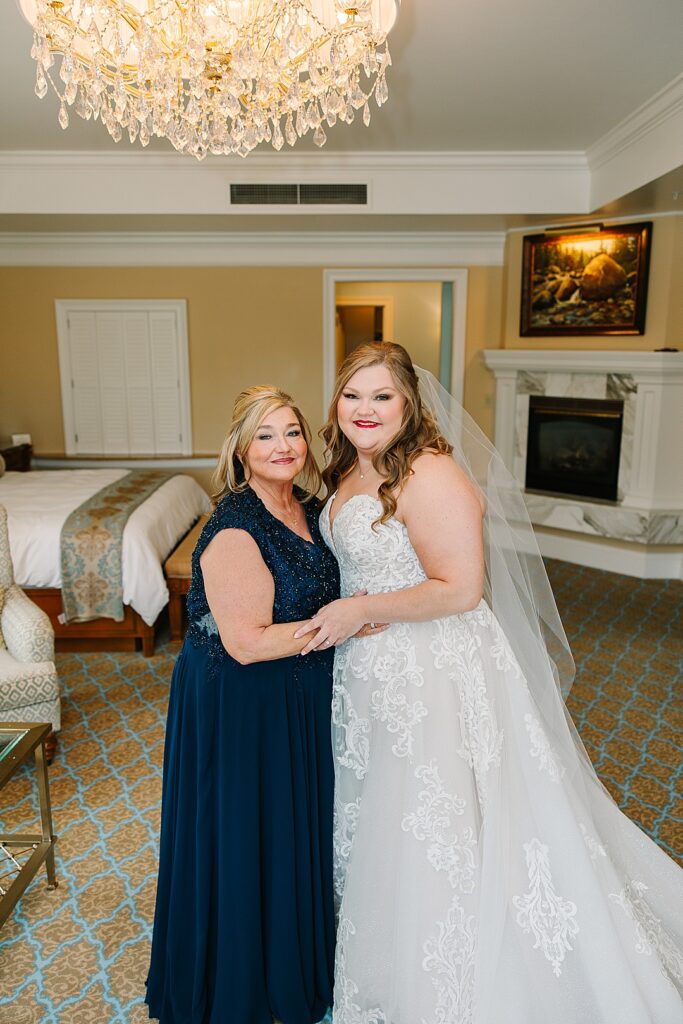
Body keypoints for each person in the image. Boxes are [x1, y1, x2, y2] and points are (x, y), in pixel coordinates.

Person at [294, 343, 683, 1024]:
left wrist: (362, 608)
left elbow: (461, 589)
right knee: (378, 810)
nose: (364, 409)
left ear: (408, 404)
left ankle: (446, 978)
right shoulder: (349, 470)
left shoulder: (430, 472)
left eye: (381, 396)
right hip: (371, 670)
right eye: (352, 395)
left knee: (432, 819)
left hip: (430, 670)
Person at [146, 385, 382, 1024]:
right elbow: (246, 643)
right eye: (266, 435)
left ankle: (294, 965)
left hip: (294, 689)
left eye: (293, 432)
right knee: (245, 833)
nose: (283, 447)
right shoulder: (234, 526)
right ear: (242, 450)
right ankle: (241, 983)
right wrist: (354, 623)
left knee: (290, 827)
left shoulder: (307, 504)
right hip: (240, 700)